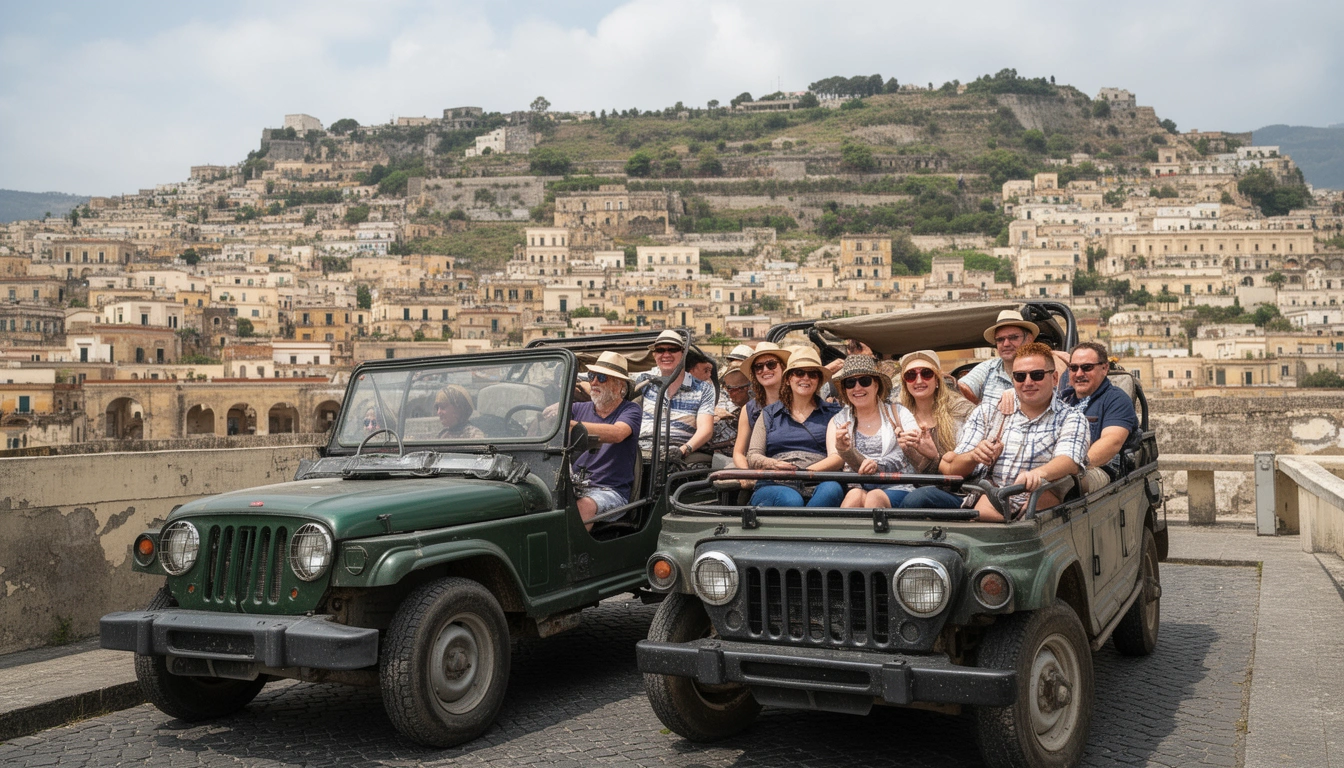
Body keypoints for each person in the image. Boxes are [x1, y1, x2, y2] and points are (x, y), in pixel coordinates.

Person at [902, 342, 1089, 522]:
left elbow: (1070, 459)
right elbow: (951, 468)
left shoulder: (1071, 417)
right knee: (917, 499)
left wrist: (1039, 473)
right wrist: (975, 456)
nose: (1028, 382)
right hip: (983, 497)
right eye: (1020, 376)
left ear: (1054, 378)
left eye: (1037, 375)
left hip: (1034, 503)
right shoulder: (988, 412)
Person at [746, 347, 845, 507]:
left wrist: (803, 473)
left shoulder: (834, 412)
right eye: (799, 373)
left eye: (812, 374)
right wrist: (774, 465)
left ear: (819, 380)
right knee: (791, 500)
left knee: (831, 489)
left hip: (819, 478)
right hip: (776, 481)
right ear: (787, 379)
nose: (805, 378)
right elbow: (753, 455)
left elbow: (838, 456)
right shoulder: (769, 413)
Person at [827, 355, 919, 508]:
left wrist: (877, 465)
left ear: (876, 385)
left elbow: (912, 450)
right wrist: (844, 450)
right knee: (854, 497)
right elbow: (836, 459)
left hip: (897, 485)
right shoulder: (838, 420)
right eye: (850, 383)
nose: (857, 388)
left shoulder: (899, 413)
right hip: (858, 486)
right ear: (844, 389)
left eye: (865, 381)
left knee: (874, 498)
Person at [564, 351, 643, 530]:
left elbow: (617, 433)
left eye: (601, 378)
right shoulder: (579, 408)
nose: (593, 382)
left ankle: (572, 556)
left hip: (610, 491)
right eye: (592, 376)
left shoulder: (630, 410)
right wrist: (551, 414)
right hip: (574, 484)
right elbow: (552, 419)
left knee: (584, 506)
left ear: (619, 386)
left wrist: (571, 425)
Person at [1059, 342, 1137, 493]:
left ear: (1104, 368)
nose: (1079, 374)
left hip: (1098, 468)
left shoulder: (1116, 400)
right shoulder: (1063, 399)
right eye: (1073, 368)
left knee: (1058, 485)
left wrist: (1069, 466)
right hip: (1061, 464)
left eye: (1087, 367)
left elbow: (1111, 442)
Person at [636, 329, 714, 463]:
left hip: (679, 454)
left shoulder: (703, 389)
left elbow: (705, 429)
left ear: (683, 354)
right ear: (654, 355)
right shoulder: (645, 381)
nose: (666, 354)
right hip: (641, 452)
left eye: (672, 349)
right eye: (660, 350)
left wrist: (684, 450)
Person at [894, 350, 974, 474]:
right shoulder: (896, 414)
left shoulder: (961, 410)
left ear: (937, 379)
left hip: (955, 487)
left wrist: (935, 456)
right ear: (905, 384)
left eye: (926, 373)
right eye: (911, 375)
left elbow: (967, 462)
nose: (919, 381)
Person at [958, 309, 1040, 407]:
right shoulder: (989, 368)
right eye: (1000, 339)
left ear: (1029, 339)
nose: (1006, 344)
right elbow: (960, 388)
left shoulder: (1043, 366)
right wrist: (980, 409)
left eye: (1013, 337)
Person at [732, 342, 791, 472]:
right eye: (758, 367)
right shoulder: (748, 409)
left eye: (771, 364)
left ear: (783, 367)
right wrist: (749, 474)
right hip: (759, 471)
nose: (765, 370)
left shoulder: (798, 402)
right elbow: (738, 453)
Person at [708, 364, 752, 461]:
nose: (728, 393)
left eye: (731, 389)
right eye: (726, 388)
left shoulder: (755, 411)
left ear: (746, 388)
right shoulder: (731, 411)